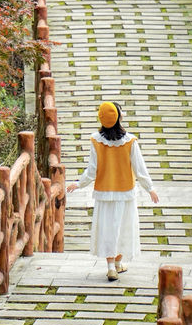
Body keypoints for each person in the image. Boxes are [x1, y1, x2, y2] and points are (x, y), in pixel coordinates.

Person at [67, 101, 159, 281]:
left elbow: (92, 170)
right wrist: (151, 189)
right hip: (125, 193)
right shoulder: (130, 141)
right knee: (124, 227)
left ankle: (111, 267)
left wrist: (78, 183)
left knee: (108, 229)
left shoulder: (96, 140)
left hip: (104, 193)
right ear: (119, 117)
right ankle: (118, 263)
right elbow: (140, 169)